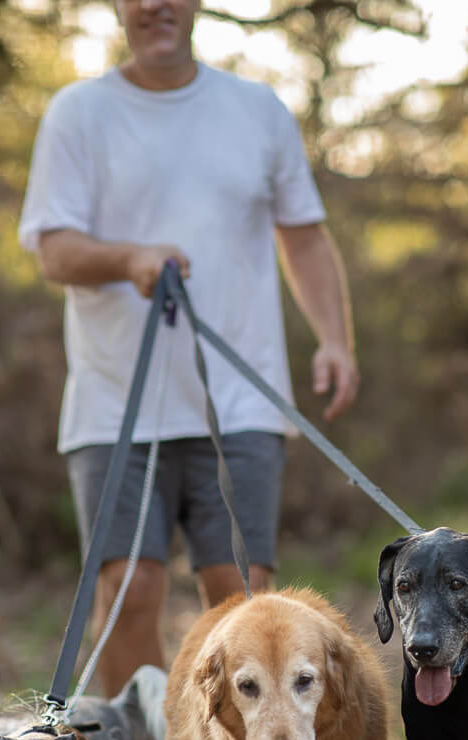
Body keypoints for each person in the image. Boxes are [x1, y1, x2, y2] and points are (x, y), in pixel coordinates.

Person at [18, 0, 358, 696]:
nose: (153, 5)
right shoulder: (78, 113)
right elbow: (54, 250)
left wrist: (333, 338)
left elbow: (304, 235)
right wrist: (130, 259)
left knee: (245, 604)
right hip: (116, 403)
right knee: (126, 596)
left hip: (240, 404)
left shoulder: (257, 109)